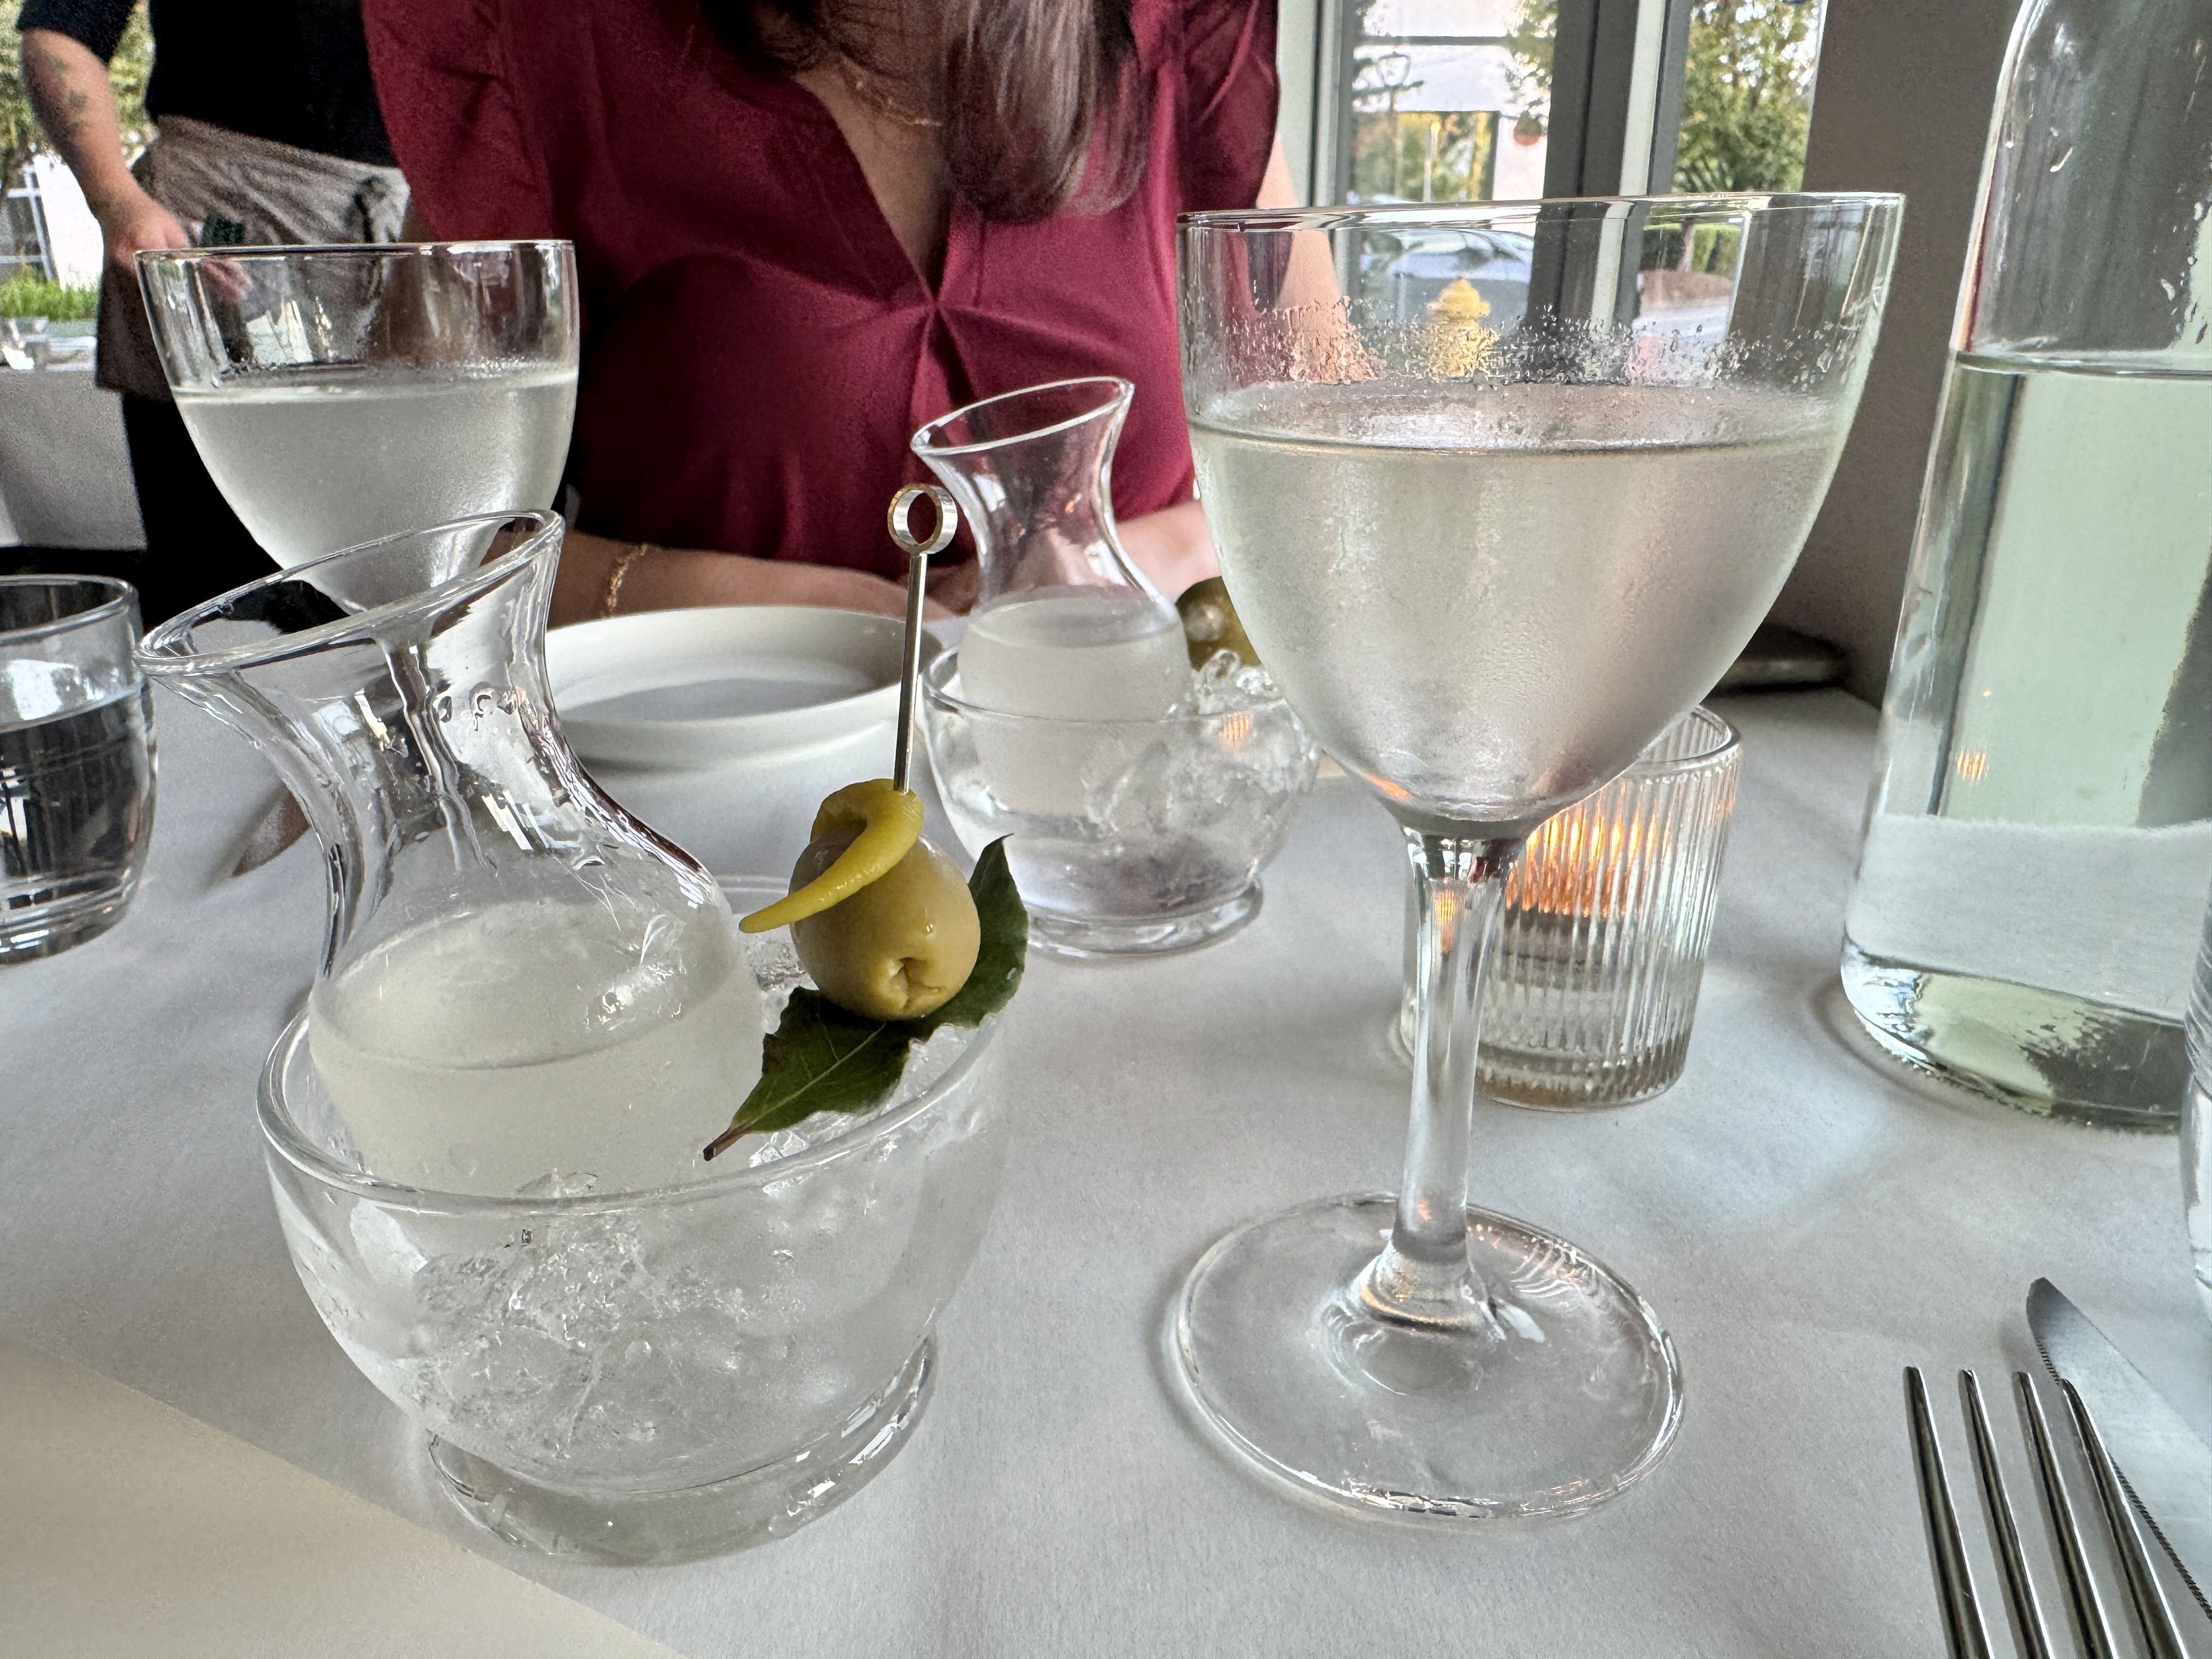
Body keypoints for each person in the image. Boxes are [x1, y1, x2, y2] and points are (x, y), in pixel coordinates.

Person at [364, 0, 1286, 625]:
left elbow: (1318, 471)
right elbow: (416, 542)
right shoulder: (535, 40)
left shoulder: (1186, 35)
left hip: (1126, 791)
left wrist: (1124, 561)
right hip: (696, 805)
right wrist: (836, 618)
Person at [18, 0, 408, 622]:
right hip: (218, 232)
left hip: (398, 238)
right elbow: (59, 32)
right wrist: (119, 201)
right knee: (224, 586)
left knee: (384, 574)